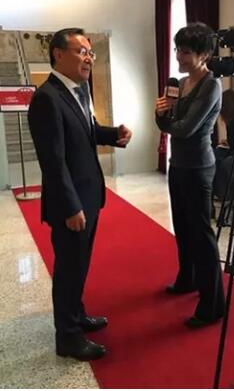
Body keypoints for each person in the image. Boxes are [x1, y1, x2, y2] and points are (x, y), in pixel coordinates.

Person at [28, 27, 132, 360]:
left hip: (88, 194)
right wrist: (71, 207)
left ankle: (77, 314)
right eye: (81, 51)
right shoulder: (47, 98)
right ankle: (68, 337)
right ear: (58, 54)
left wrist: (114, 134)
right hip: (70, 202)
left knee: (79, 264)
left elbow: (88, 132)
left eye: (90, 52)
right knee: (69, 269)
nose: (88, 58)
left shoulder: (79, 91)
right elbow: (53, 161)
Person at [155, 22, 225, 328]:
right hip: (178, 164)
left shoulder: (211, 85)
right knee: (182, 228)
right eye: (177, 50)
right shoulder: (180, 83)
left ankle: (213, 304)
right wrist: (160, 113)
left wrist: (167, 121)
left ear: (204, 54)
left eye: (185, 52)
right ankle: (188, 279)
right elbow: (168, 124)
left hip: (199, 167)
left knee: (201, 234)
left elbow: (186, 129)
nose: (179, 57)